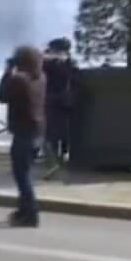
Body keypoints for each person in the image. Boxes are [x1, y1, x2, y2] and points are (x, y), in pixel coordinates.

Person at [0, 45, 46, 227]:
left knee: (21, 176)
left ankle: (30, 214)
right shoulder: (41, 78)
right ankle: (23, 211)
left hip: (23, 133)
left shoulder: (20, 81)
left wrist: (7, 72)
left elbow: (0, 95)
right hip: (38, 131)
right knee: (25, 174)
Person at [42, 37, 75, 167]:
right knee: (51, 134)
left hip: (63, 104)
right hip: (52, 104)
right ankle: (52, 160)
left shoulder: (69, 63)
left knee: (63, 134)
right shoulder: (47, 63)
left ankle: (61, 157)